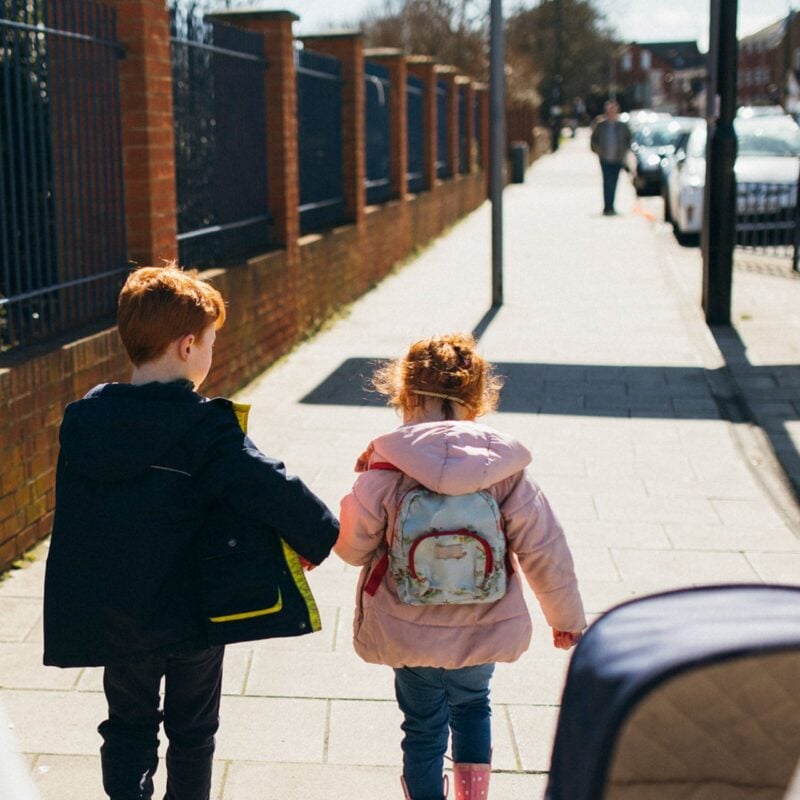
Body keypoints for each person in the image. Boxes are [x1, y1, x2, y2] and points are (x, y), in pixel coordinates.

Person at [42, 265, 339, 800]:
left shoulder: (85, 422)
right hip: (192, 613)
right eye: (208, 343)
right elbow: (269, 486)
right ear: (186, 346)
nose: (209, 354)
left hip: (118, 613)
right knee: (193, 730)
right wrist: (316, 534)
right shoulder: (206, 427)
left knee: (127, 724)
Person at [334, 333, 586, 800]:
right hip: (484, 624)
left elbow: (352, 547)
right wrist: (566, 620)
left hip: (407, 626)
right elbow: (544, 547)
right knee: (473, 707)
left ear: (405, 395)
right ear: (477, 397)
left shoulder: (389, 465)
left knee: (423, 726)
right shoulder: (503, 469)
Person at [590, 100, 632, 216]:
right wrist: (598, 150)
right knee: (606, 182)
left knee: (614, 182)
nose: (611, 112)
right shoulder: (601, 125)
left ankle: (611, 206)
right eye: (610, 110)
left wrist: (625, 151)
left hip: (618, 158)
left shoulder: (622, 126)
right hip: (605, 158)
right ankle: (607, 207)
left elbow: (629, 139)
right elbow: (593, 139)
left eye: (614, 110)